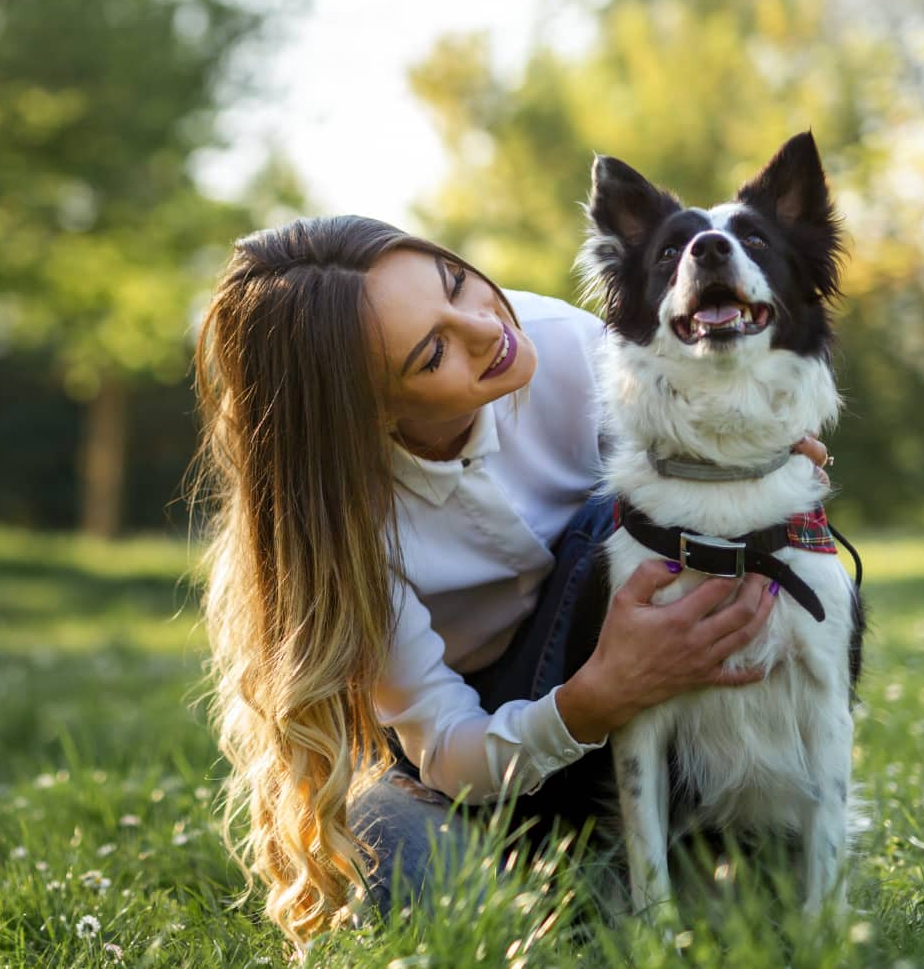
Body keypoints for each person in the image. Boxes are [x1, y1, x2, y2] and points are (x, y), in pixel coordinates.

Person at [192, 215, 824, 951]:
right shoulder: (345, 525)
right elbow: (448, 740)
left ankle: (686, 851)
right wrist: (594, 697)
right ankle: (573, 888)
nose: (484, 329)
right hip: (474, 763)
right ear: (370, 418)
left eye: (456, 283)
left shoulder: (570, 347)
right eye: (433, 354)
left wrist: (756, 456)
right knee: (396, 846)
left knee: (615, 520)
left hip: (647, 720)